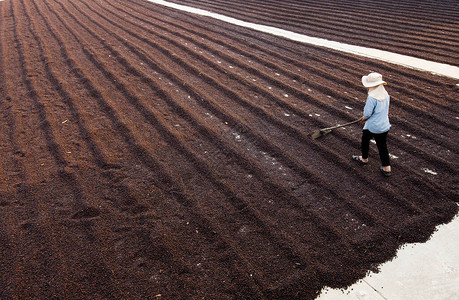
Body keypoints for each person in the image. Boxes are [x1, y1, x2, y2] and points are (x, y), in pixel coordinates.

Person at [352, 72, 392, 177]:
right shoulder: (386, 94)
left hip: (373, 126)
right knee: (382, 146)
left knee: (365, 139)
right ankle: (386, 167)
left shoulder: (372, 98)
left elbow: (367, 114)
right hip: (384, 125)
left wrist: (364, 118)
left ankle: (364, 158)